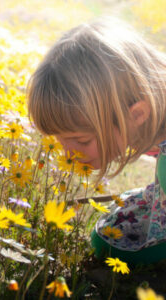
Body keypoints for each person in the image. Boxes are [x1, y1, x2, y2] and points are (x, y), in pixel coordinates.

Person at [26, 17, 166, 266]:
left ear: (136, 115)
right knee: (115, 229)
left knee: (115, 247)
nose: (68, 153)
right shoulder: (150, 121)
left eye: (81, 139)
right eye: (59, 140)